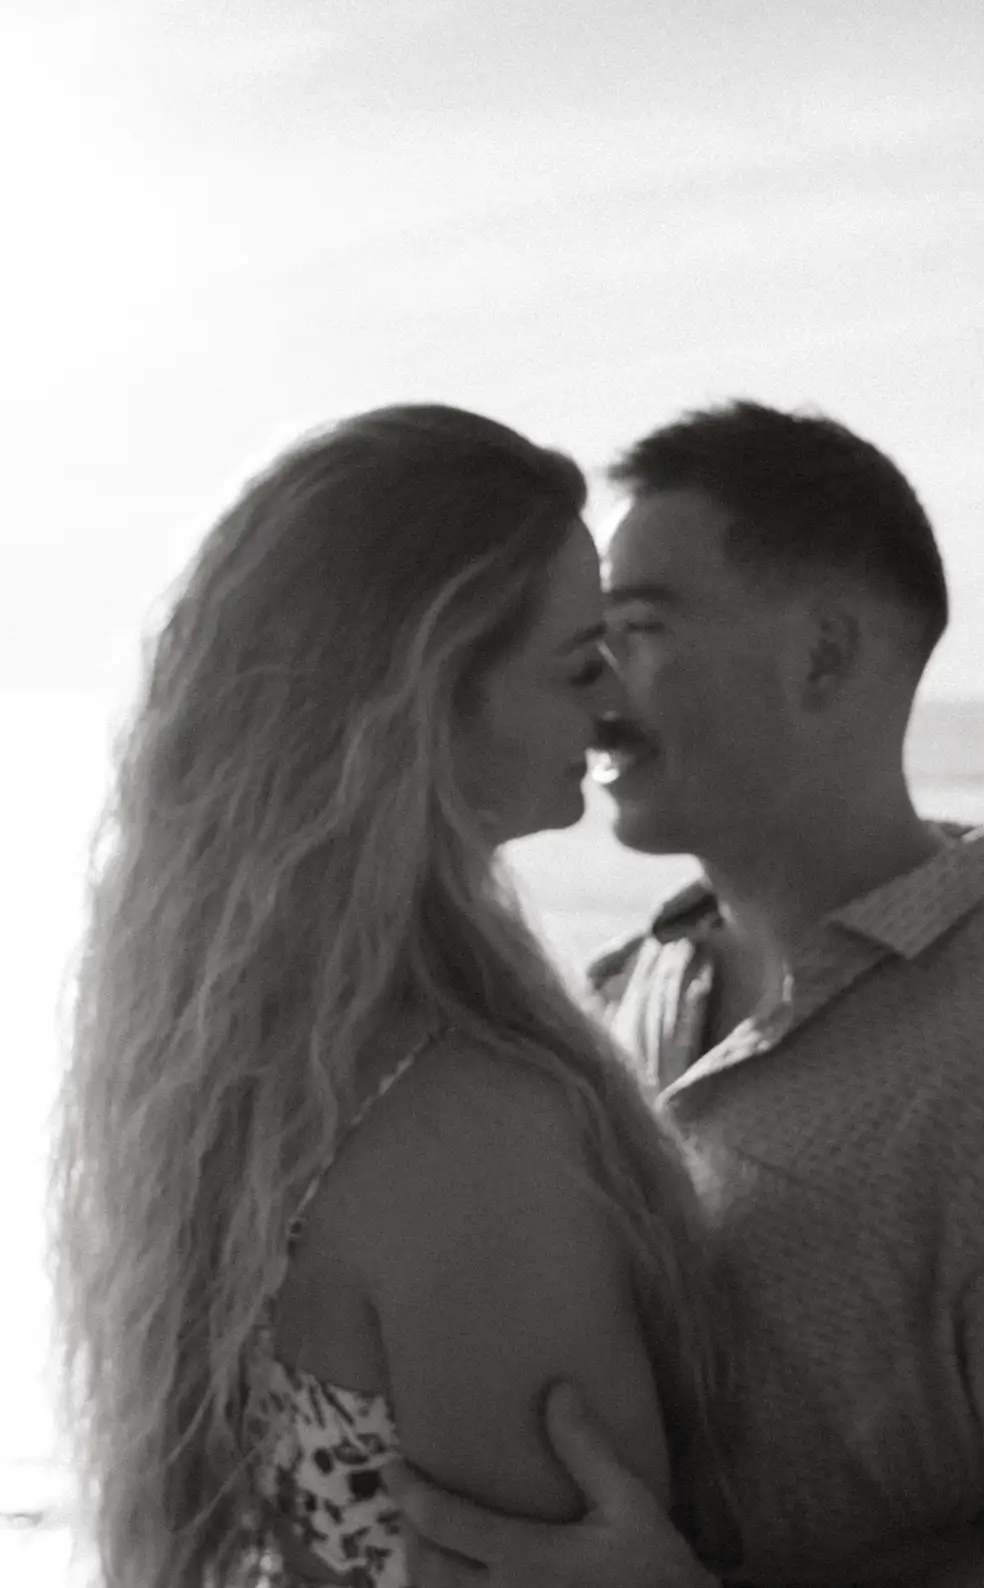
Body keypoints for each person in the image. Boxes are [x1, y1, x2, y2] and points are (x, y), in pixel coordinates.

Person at [389, 402, 984, 1587]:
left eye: (638, 629)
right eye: (592, 638)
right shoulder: (622, 990)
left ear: (821, 654)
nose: (593, 686)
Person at [51, 405, 732, 1588]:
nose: (618, 703)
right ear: (426, 698)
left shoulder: (243, 1065)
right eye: (581, 661)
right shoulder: (470, 1135)